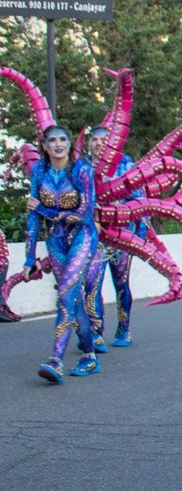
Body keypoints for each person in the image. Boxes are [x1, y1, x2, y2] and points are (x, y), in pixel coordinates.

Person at [24, 125, 100, 383]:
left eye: (63, 139)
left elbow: (84, 214)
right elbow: (32, 215)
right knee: (72, 298)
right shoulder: (39, 171)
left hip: (83, 237)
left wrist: (47, 212)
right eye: (52, 140)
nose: (58, 144)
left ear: (69, 144)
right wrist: (29, 257)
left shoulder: (82, 171)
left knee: (66, 294)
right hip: (55, 241)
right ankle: (89, 354)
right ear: (44, 146)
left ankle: (56, 360)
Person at [86, 125, 142, 350]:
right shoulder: (83, 167)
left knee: (120, 283)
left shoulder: (125, 164)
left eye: (104, 140)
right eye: (95, 140)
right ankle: (95, 332)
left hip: (121, 235)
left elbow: (139, 197)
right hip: (93, 236)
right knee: (92, 283)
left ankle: (123, 328)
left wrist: (122, 206)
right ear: (89, 144)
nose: (99, 144)